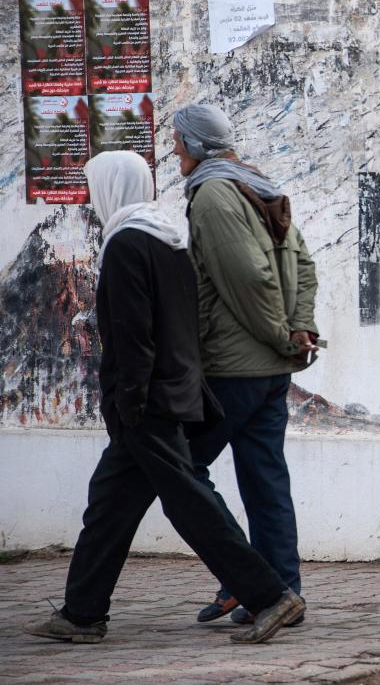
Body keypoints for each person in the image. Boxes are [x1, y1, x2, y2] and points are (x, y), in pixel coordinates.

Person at [23, 151, 305, 645]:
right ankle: (81, 613)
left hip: (144, 401)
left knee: (189, 503)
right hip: (172, 390)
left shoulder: (127, 244)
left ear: (113, 188)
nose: (91, 200)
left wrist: (126, 404)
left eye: (95, 188)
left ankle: (270, 595)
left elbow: (132, 335)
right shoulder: (166, 237)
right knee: (110, 504)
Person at [169, 104, 319, 627]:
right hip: (270, 369)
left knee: (181, 472)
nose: (174, 151)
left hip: (234, 369)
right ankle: (280, 591)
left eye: (179, 142)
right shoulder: (257, 183)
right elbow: (302, 263)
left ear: (196, 146)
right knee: (266, 482)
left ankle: (247, 580)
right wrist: (297, 331)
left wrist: (283, 336)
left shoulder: (213, 194)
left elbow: (250, 279)